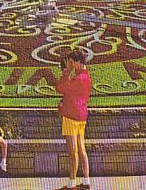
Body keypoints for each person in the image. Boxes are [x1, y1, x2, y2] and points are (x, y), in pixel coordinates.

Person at [55, 49, 92, 190]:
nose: (69, 65)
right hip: (82, 116)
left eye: (71, 62)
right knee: (81, 149)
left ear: (75, 62)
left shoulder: (77, 79)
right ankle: (86, 181)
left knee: (72, 151)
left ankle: (72, 183)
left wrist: (66, 72)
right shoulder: (86, 77)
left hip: (71, 116)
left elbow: (60, 88)